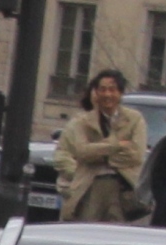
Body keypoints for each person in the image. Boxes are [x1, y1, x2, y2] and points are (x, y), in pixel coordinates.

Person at [54, 69, 146, 222]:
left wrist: (98, 154)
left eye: (112, 90)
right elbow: (82, 151)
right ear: (95, 92)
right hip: (89, 187)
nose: (107, 94)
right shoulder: (81, 121)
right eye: (102, 90)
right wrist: (116, 145)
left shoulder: (134, 119)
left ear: (121, 93)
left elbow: (136, 155)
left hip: (123, 189)